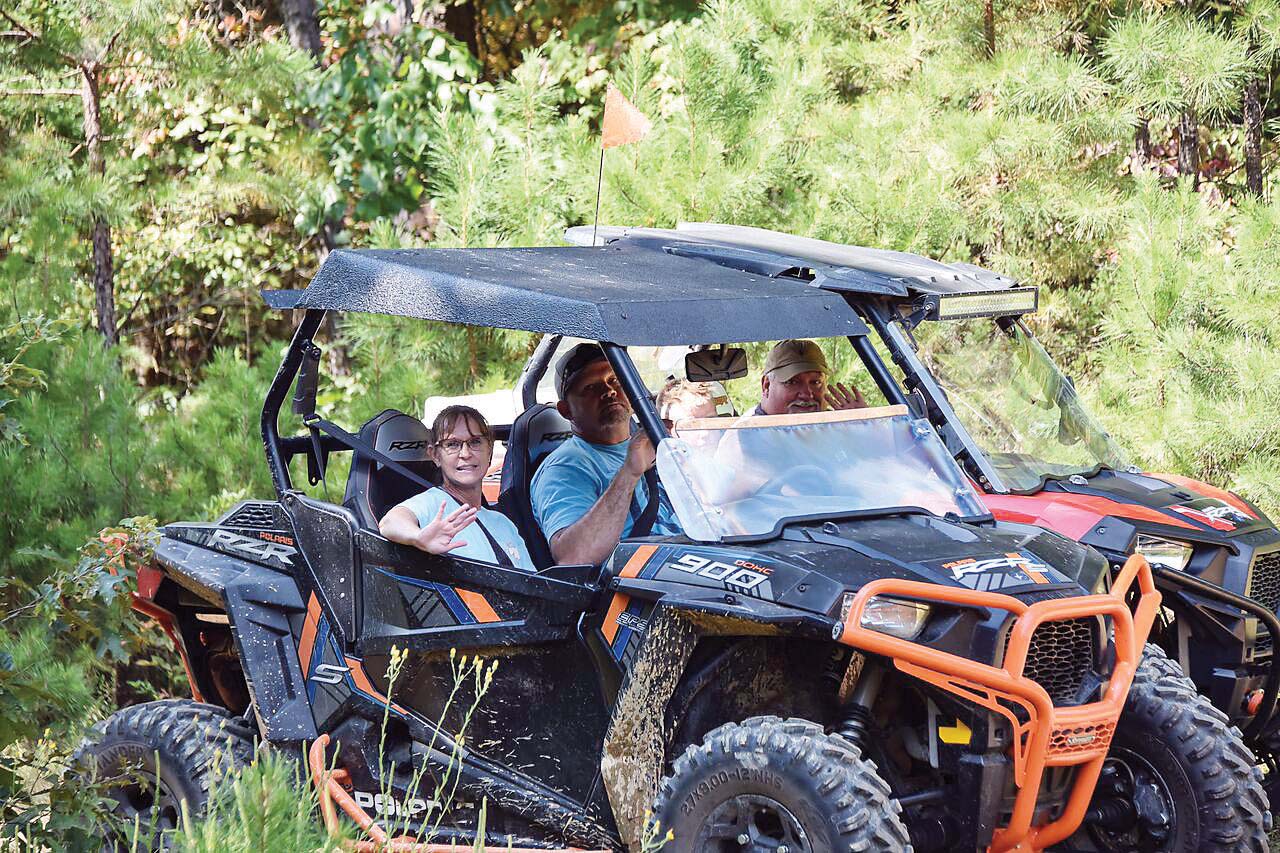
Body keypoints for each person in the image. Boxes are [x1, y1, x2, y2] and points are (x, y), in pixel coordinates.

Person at [531, 344, 682, 566]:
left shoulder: (656, 439)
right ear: (566, 411)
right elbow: (573, 558)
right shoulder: (565, 468)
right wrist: (629, 473)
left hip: (694, 559)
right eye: (590, 387)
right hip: (640, 586)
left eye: (615, 381)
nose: (609, 391)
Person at [380, 405, 534, 571]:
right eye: (452, 444)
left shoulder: (504, 523)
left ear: (489, 450)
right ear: (435, 455)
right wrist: (418, 537)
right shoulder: (433, 503)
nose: (465, 453)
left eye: (475, 442)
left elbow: (534, 587)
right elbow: (390, 522)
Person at [754, 339, 866, 415]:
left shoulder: (839, 426)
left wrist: (863, 427)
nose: (807, 394)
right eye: (792, 382)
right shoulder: (746, 437)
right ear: (766, 385)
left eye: (815, 382)